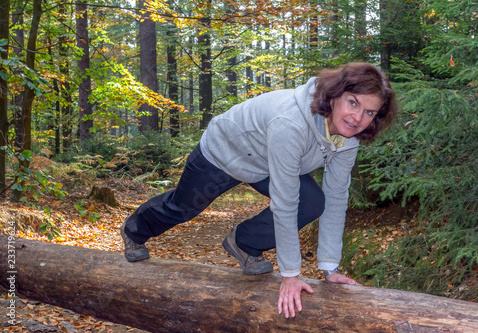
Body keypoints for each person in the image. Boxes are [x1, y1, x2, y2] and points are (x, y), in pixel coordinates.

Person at [120, 62, 398, 318]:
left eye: (369, 112)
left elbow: (337, 196)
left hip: (266, 163)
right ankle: (134, 230)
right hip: (225, 152)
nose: (357, 117)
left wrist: (329, 267)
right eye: (353, 103)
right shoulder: (291, 122)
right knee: (182, 208)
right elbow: (284, 201)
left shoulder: (347, 139)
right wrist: (290, 275)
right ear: (336, 95)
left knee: (313, 202)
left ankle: (243, 243)